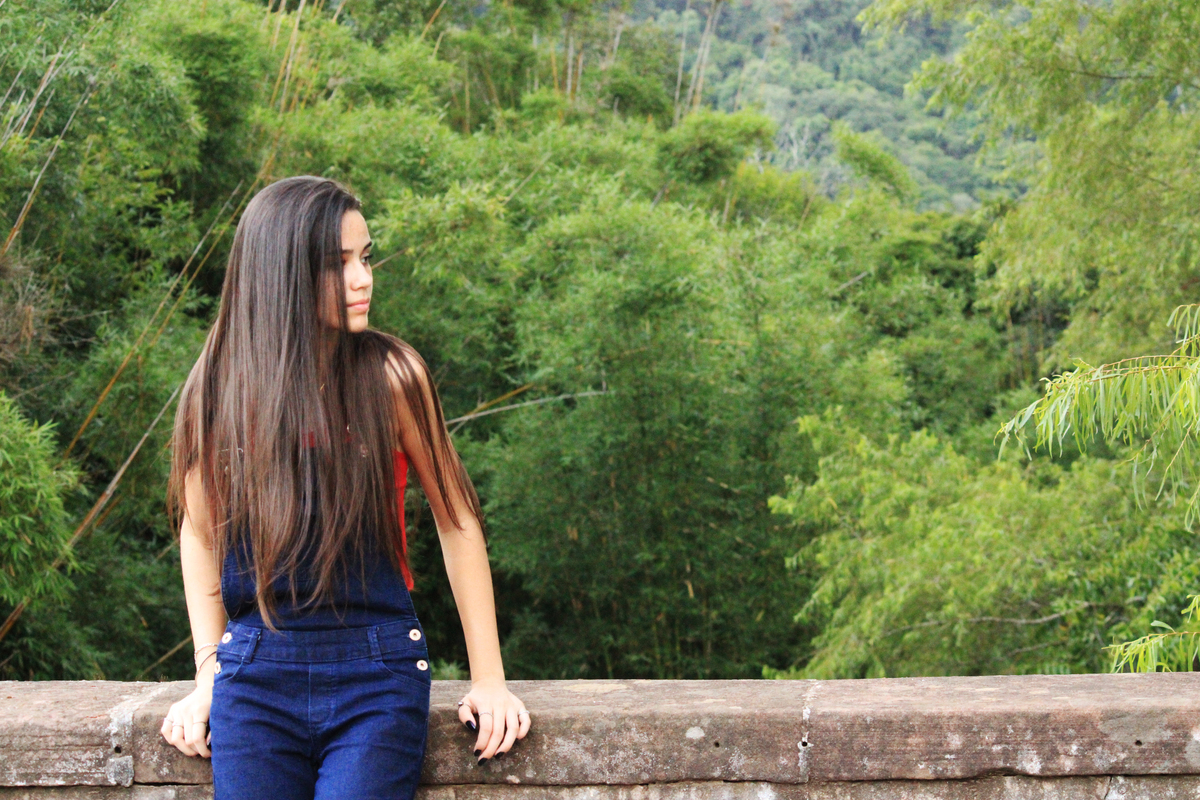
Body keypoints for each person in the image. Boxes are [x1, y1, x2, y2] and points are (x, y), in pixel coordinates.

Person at [158, 176, 529, 799]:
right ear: (281, 275)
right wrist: (207, 673)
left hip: (375, 672)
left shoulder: (392, 376)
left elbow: (457, 519)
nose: (363, 279)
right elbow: (199, 532)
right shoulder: (221, 387)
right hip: (254, 673)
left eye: (365, 257)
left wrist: (489, 679)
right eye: (338, 264)